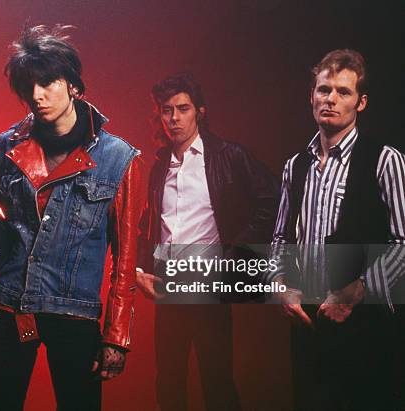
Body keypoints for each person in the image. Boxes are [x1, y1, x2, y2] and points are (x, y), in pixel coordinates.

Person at [0, 25, 142, 411]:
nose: (36, 96)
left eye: (47, 82)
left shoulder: (120, 159)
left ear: (73, 85)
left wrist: (117, 336)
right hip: (8, 305)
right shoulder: (9, 145)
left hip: (74, 314)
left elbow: (126, 256)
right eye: (28, 87)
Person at [266, 49, 405, 410]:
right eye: (323, 89)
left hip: (365, 330)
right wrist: (280, 287)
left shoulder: (385, 159)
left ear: (361, 102)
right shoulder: (295, 166)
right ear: (311, 95)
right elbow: (281, 238)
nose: (330, 99)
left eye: (343, 92)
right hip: (308, 328)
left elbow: (402, 241)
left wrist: (357, 292)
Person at [136, 72, 279, 411]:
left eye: (182, 108)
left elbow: (272, 199)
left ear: (199, 111)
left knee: (216, 381)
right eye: (166, 110)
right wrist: (141, 269)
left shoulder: (228, 155)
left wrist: (237, 253)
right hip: (169, 285)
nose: (174, 118)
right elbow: (148, 226)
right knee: (168, 381)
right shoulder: (160, 168)